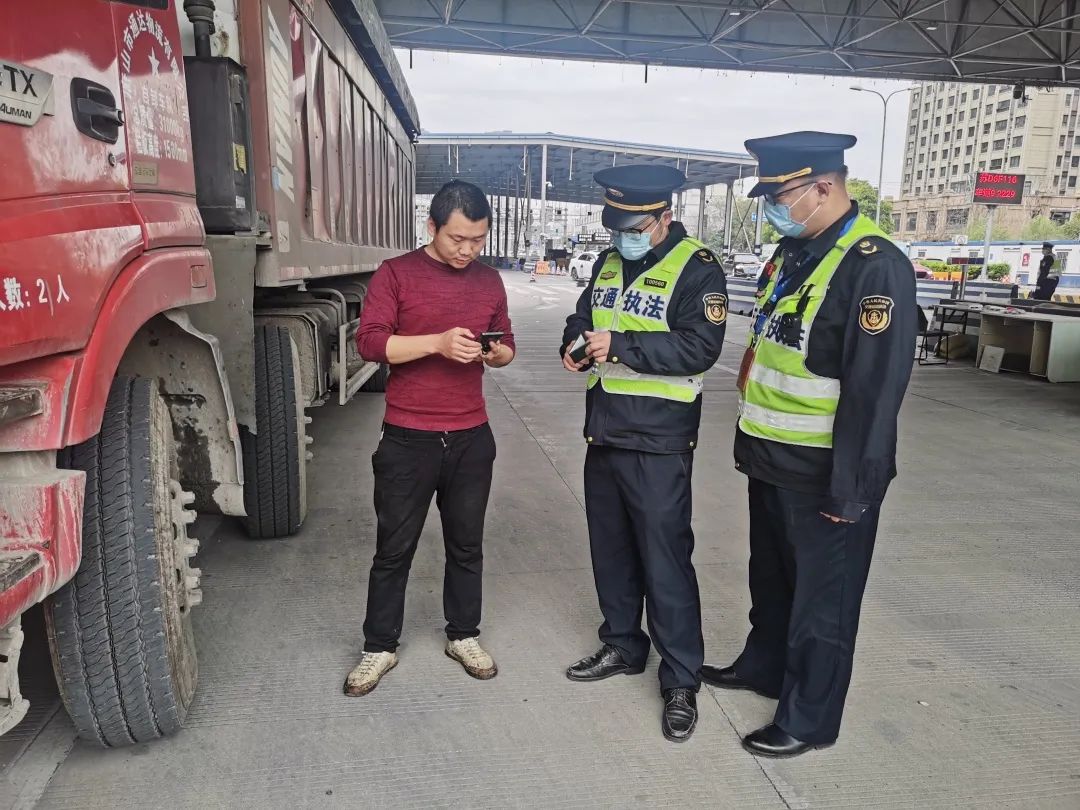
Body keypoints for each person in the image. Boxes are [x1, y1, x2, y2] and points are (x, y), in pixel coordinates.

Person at [701, 132, 917, 758]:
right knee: (771, 581)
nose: (774, 208)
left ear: (824, 187)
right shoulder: (792, 253)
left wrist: (853, 489)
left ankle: (809, 718)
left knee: (824, 603)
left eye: (781, 196)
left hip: (827, 471)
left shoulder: (872, 264)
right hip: (772, 456)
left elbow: (875, 390)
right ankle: (764, 668)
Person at [561, 165, 728, 743]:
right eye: (616, 227)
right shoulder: (610, 261)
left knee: (665, 561)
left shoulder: (697, 268)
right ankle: (623, 645)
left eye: (633, 228)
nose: (622, 237)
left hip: (659, 440)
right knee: (610, 551)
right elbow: (585, 314)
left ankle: (680, 679)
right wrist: (574, 342)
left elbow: (700, 347)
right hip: (605, 431)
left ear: (663, 218)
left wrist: (621, 346)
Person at [344, 180, 516, 696]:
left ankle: (463, 635)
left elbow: (507, 345)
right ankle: (379, 646)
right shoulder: (396, 273)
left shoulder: (489, 281)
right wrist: (437, 344)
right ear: (432, 227)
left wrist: (494, 354)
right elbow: (370, 343)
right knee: (394, 548)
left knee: (466, 544)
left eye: (478, 240)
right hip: (408, 437)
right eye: (457, 238)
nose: (467, 250)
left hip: (471, 436)